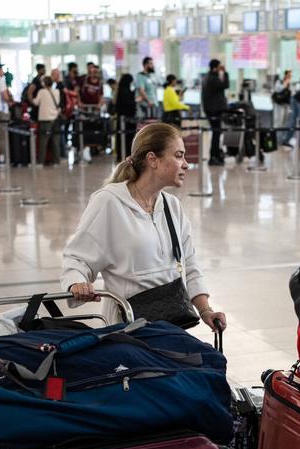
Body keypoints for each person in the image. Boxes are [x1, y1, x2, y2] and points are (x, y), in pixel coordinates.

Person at [60, 122, 225, 332]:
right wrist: (77, 282)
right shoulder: (109, 202)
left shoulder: (171, 206)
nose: (186, 164)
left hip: (171, 323)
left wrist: (206, 311)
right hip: (129, 326)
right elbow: (77, 258)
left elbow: (189, 265)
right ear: (152, 159)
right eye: (178, 155)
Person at [201, 59, 229, 166]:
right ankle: (213, 156)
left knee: (217, 132)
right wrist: (225, 73)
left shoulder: (208, 77)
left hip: (212, 109)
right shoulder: (212, 78)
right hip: (214, 110)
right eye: (219, 67)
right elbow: (225, 85)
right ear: (215, 68)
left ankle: (216, 154)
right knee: (216, 132)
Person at [33, 76, 61, 166]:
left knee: (43, 142)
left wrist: (30, 95)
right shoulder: (57, 91)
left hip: (45, 120)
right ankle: (56, 161)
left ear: (44, 83)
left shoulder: (41, 92)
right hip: (55, 119)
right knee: (55, 142)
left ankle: (41, 161)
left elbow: (35, 102)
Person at [114, 73, 137, 157]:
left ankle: (122, 154)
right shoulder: (124, 90)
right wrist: (136, 101)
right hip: (126, 118)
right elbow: (127, 103)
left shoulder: (121, 89)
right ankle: (125, 153)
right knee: (126, 137)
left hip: (122, 117)